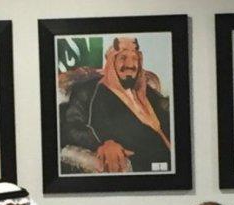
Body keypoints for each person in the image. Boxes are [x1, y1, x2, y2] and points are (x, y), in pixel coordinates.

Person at [60, 37, 171, 173]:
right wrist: (103, 143)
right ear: (112, 61)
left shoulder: (146, 91)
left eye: (135, 58)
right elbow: (71, 127)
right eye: (123, 57)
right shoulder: (89, 90)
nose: (130, 64)